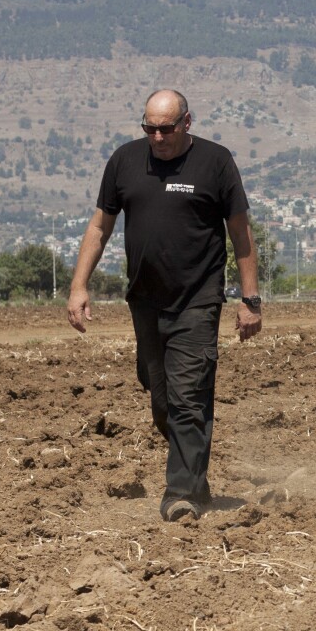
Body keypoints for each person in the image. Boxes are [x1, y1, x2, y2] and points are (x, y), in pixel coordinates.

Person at [66, 89, 262, 520]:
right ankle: (196, 479)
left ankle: (181, 495)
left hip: (198, 300)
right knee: (164, 402)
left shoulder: (215, 162)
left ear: (187, 123)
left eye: (166, 128)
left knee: (189, 396)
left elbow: (241, 234)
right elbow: (100, 226)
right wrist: (79, 285)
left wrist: (251, 300)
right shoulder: (124, 160)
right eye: (149, 128)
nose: (157, 137)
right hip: (145, 301)